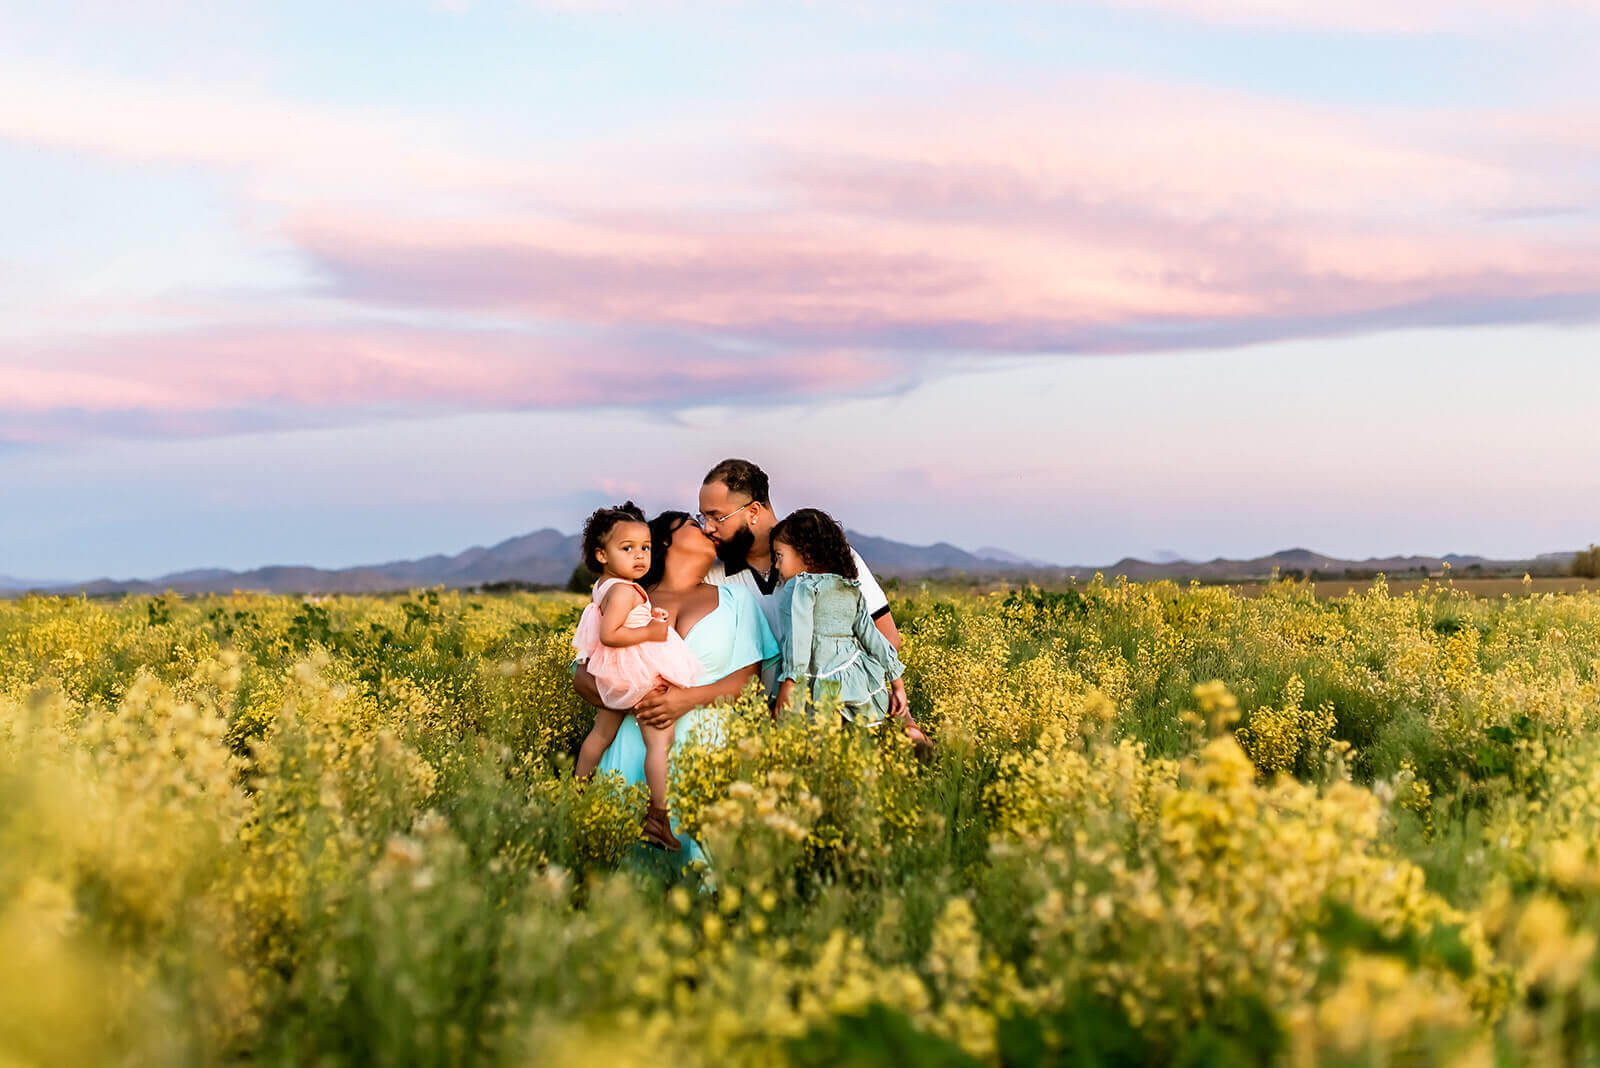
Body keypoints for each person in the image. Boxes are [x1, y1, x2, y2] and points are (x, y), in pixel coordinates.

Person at [578, 511, 779, 866]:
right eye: (692, 524)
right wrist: (635, 700)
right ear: (666, 542)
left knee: (705, 880)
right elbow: (583, 675)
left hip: (706, 752)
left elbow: (746, 681)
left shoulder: (736, 600)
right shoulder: (628, 598)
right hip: (631, 748)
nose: (706, 530)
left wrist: (685, 700)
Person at [570, 502, 704, 850]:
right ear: (601, 554)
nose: (639, 556)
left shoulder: (606, 586)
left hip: (615, 672)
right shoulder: (624, 590)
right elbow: (610, 635)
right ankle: (657, 818)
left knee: (600, 735)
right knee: (660, 740)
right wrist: (652, 632)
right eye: (626, 549)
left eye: (644, 548)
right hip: (635, 674)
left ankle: (575, 794)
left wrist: (646, 618)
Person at [771, 509, 933, 753]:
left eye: (779, 556)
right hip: (855, 681)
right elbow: (874, 638)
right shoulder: (849, 587)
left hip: (820, 684)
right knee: (857, 748)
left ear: (806, 554)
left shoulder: (800, 589)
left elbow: (799, 639)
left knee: (819, 751)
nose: (776, 565)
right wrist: (897, 684)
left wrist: (789, 684)